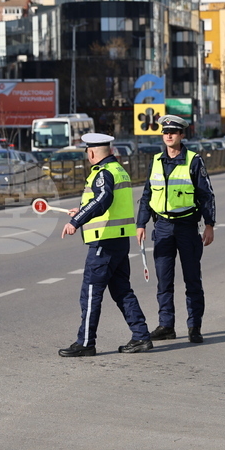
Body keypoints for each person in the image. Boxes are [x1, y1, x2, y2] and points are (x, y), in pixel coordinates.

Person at [58, 133, 153, 357]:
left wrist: (76, 221)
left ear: (91, 152)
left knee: (90, 293)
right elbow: (105, 202)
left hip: (105, 242)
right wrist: (81, 210)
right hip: (118, 241)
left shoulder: (103, 173)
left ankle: (86, 343)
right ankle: (141, 336)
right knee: (122, 291)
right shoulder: (118, 169)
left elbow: (103, 199)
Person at [136, 115, 216, 344]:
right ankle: (166, 325)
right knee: (164, 280)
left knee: (192, 279)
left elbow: (206, 195)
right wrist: (141, 223)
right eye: (165, 132)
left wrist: (209, 225)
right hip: (162, 226)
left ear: (181, 134)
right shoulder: (156, 161)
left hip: (187, 226)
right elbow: (147, 194)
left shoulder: (193, 161)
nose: (169, 135)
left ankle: (194, 327)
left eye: (173, 132)